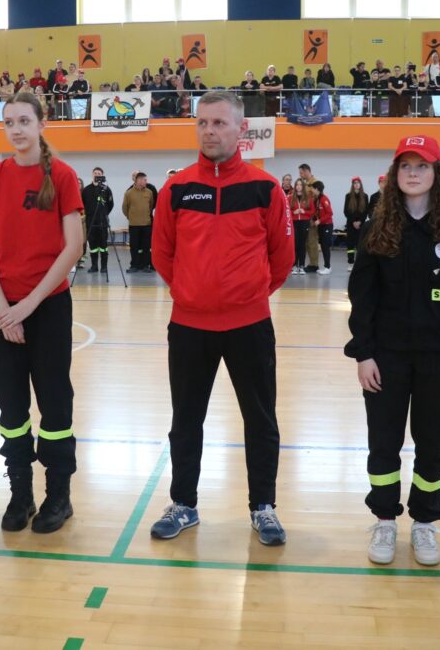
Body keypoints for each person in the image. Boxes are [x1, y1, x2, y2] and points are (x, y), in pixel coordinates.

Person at [149, 91, 293, 546]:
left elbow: (282, 257)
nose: (209, 131)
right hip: (189, 327)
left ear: (241, 129)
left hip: (249, 326)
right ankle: (183, 504)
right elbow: (162, 253)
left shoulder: (265, 189)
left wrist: (246, 296)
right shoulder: (176, 189)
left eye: (219, 123)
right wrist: (191, 294)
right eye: (202, 123)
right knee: (185, 420)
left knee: (260, 419)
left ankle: (263, 506)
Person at [346, 134, 440, 567]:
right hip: (385, 358)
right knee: (383, 442)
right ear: (394, 175)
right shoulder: (376, 228)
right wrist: (364, 354)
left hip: (439, 360)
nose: (413, 173)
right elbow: (362, 298)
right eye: (405, 166)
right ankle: (385, 519)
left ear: (436, 173)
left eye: (422, 166)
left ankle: (424, 523)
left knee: (432, 443)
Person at [0, 92, 84, 534]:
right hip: (2, 309)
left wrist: (27, 306)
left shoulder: (63, 175)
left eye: (24, 120)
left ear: (42, 123)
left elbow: (72, 247)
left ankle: (59, 495)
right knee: (11, 404)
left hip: (47, 306)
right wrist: (5, 310)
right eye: (9, 122)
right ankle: (21, 494)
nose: (16, 129)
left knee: (54, 404)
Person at [81, 167, 114, 274]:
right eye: (95, 173)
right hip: (91, 222)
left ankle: (104, 267)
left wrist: (104, 214)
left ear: (102, 175)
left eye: (99, 173)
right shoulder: (86, 190)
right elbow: (82, 204)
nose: (97, 174)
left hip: (103, 222)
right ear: (92, 174)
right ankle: (94, 266)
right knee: (93, 246)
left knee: (103, 246)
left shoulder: (106, 189)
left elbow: (110, 204)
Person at [122, 172, 154, 272]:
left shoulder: (149, 192)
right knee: (134, 246)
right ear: (138, 180)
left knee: (146, 246)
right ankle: (134, 265)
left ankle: (145, 265)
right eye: (144, 180)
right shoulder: (129, 193)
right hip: (134, 225)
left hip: (146, 224)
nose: (146, 182)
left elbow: (151, 206)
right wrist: (131, 217)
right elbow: (125, 208)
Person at [288, 179, 314, 274]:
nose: (299, 186)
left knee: (302, 244)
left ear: (303, 186)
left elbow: (312, 211)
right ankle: (294, 265)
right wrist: (293, 212)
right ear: (295, 186)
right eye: (297, 185)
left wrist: (304, 212)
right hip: (294, 223)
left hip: (304, 222)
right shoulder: (290, 198)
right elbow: (286, 211)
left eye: (300, 185)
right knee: (295, 244)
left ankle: (302, 266)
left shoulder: (308, 198)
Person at [343, 176, 368, 270]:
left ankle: (359, 263)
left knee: (360, 245)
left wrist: (360, 221)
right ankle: (350, 263)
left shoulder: (365, 196)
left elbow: (365, 211)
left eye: (358, 183)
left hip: (361, 225)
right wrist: (353, 221)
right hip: (351, 224)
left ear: (360, 184)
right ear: (352, 185)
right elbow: (346, 211)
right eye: (354, 183)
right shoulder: (348, 196)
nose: (356, 184)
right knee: (350, 245)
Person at [312, 180, 334, 274]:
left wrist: (319, 220)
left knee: (325, 246)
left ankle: (327, 267)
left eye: (313, 188)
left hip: (327, 226)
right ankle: (326, 266)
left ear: (317, 189)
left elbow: (330, 213)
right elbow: (316, 212)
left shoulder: (324, 199)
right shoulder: (317, 199)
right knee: (323, 245)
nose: (312, 190)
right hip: (321, 226)